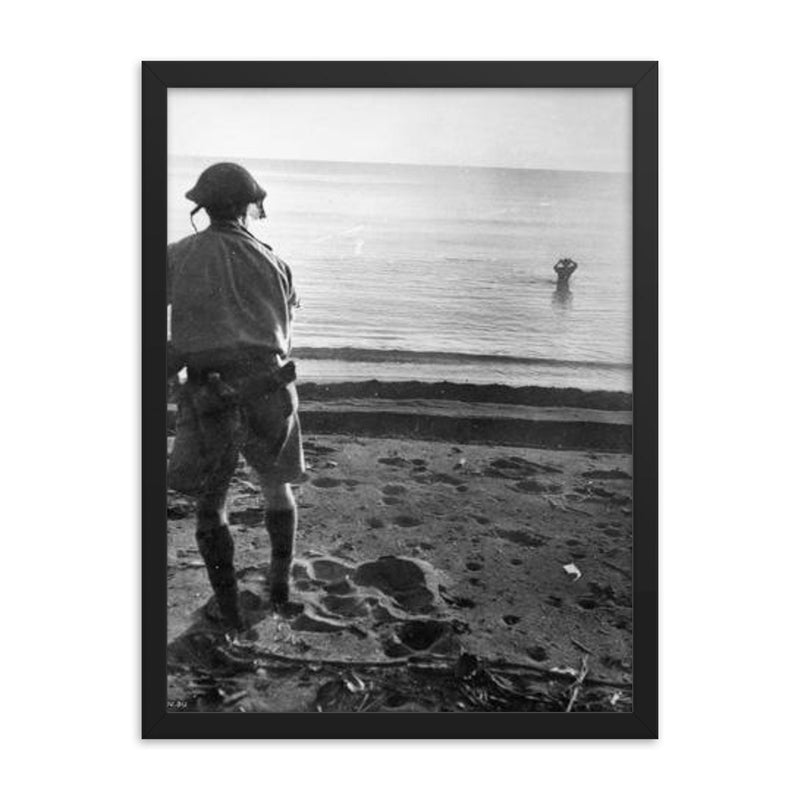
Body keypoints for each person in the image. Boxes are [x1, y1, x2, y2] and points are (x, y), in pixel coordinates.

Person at [167, 162, 305, 630]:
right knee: (275, 484)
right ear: (249, 206)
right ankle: (280, 582)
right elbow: (284, 326)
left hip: (211, 391)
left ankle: (227, 610)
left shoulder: (177, 254)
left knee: (212, 502)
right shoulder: (276, 260)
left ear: (202, 207)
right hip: (271, 382)